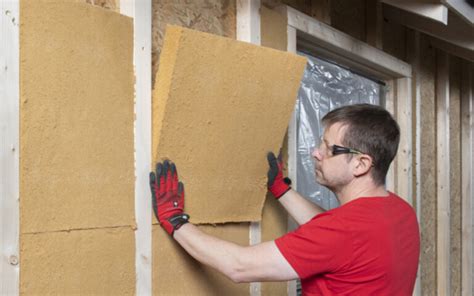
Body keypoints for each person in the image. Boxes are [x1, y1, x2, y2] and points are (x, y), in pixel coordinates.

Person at [149, 103, 420, 296]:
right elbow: (331, 235)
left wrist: (176, 221)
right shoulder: (399, 212)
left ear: (361, 164)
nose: (315, 153)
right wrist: (282, 190)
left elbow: (239, 267)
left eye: (328, 148)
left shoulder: (344, 231)